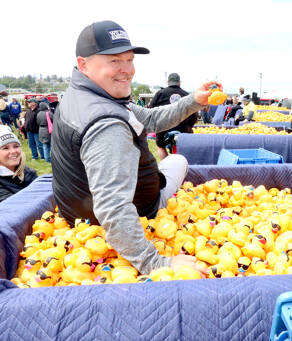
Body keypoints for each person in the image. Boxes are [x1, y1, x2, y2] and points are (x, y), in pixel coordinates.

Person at [52, 20, 217, 277]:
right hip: (128, 216)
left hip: (78, 212)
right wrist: (157, 263)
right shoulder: (107, 123)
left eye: (129, 60)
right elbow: (113, 208)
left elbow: (150, 119)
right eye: (114, 61)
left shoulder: (87, 96)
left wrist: (193, 102)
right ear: (84, 64)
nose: (127, 70)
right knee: (179, 161)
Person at [150, 73, 198, 160]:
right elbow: (194, 113)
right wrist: (189, 126)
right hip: (183, 127)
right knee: (186, 146)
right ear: (179, 82)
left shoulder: (160, 93)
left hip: (164, 127)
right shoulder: (186, 94)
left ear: (168, 82)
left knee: (160, 146)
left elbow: (151, 109)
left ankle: (166, 166)